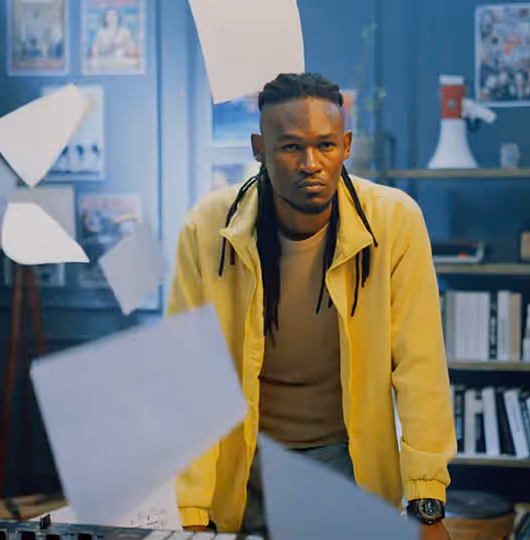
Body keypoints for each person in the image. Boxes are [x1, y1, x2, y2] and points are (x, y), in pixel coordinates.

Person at [167, 73, 455, 539]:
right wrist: (192, 512)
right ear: (259, 147)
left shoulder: (395, 221)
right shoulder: (206, 229)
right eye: (290, 147)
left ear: (346, 145)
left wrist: (427, 503)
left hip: (347, 458)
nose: (310, 163)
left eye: (325, 145)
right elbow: (188, 380)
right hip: (245, 464)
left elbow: (421, 371)